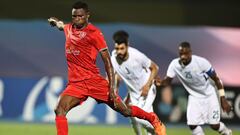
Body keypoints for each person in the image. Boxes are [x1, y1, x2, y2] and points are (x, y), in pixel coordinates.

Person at [47, 1, 164, 135]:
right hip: (76, 84)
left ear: (87, 15)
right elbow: (62, 26)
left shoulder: (94, 33)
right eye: (74, 16)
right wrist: (55, 22)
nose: (77, 19)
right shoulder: (69, 28)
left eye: (80, 16)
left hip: (94, 82)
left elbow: (108, 61)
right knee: (59, 109)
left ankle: (152, 119)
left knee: (125, 111)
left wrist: (112, 89)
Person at [159, 41, 232, 135]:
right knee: (192, 124)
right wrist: (160, 82)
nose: (183, 56)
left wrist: (223, 99)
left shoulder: (201, 62)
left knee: (214, 125)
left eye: (186, 54)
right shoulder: (175, 64)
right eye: (181, 54)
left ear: (190, 52)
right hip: (194, 96)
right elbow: (168, 81)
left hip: (209, 95)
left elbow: (217, 80)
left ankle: (227, 132)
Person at [110, 30, 166, 135]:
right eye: (117, 49)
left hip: (147, 90)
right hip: (134, 94)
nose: (119, 52)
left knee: (142, 119)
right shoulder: (113, 58)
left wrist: (147, 86)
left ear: (127, 46)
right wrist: (115, 89)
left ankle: (158, 125)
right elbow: (116, 75)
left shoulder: (137, 56)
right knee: (132, 117)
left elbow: (155, 68)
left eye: (122, 48)